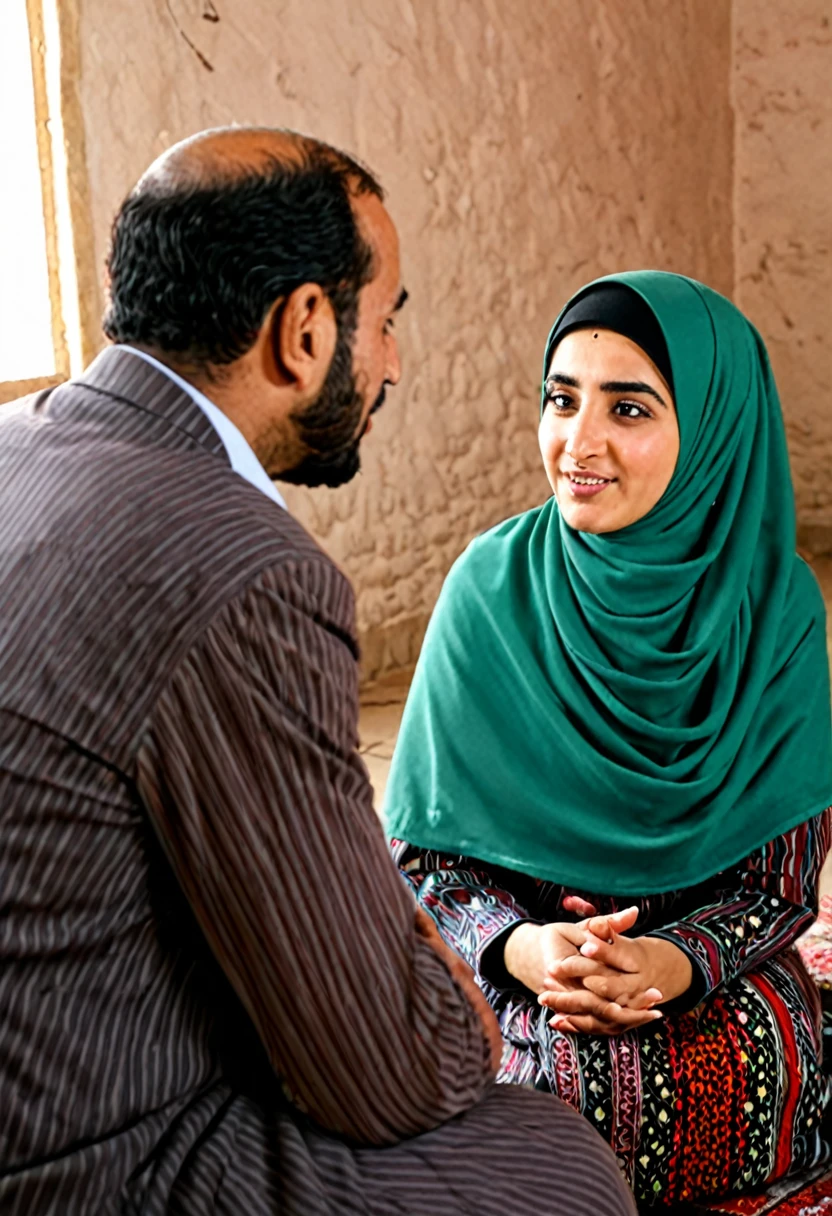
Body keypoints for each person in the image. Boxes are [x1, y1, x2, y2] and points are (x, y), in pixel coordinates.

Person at [0, 128, 636, 1216]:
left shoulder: (16, 443)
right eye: (384, 320)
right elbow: (387, 1070)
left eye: (627, 406)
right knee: (553, 1163)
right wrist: (464, 982)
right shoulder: (247, 564)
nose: (391, 362)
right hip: (79, 1149)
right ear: (303, 329)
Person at [385, 271, 832, 1209]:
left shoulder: (776, 608)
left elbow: (781, 883)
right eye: (561, 399)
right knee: (507, 1078)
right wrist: (527, 949)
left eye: (628, 408)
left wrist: (671, 963)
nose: (577, 445)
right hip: (523, 971)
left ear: (712, 429)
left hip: (710, 971)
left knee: (763, 1064)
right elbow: (423, 866)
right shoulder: (489, 592)